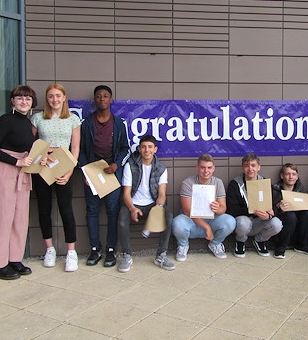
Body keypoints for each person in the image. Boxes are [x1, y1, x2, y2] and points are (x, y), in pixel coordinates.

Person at [0, 86, 37, 280]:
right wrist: (16, 161)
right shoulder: (5, 120)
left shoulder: (28, 123)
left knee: (19, 218)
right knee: (1, 217)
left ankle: (14, 258)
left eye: (28, 99)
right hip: (4, 170)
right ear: (12, 101)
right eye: (19, 98)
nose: (23, 101)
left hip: (22, 172)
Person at [31, 84, 81, 272]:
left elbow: (75, 149)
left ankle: (71, 252)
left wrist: (69, 172)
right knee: (44, 209)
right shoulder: (38, 118)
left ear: (64, 97)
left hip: (63, 165)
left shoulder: (72, 120)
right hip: (44, 166)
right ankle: (49, 249)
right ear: (47, 98)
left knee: (66, 209)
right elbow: (30, 145)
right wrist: (39, 156)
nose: (55, 99)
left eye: (58, 96)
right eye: (51, 96)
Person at [79, 85, 130, 268]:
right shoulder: (86, 123)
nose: (102, 99)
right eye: (99, 96)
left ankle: (110, 249)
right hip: (92, 173)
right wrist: (86, 171)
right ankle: (95, 249)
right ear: (95, 100)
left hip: (112, 174)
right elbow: (81, 150)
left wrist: (116, 164)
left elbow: (126, 148)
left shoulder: (118, 123)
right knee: (92, 211)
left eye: (105, 96)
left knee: (112, 211)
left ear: (111, 100)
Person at [117, 135, 174, 272]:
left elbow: (161, 194)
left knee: (169, 216)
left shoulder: (161, 168)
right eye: (143, 147)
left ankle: (161, 255)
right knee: (122, 220)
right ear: (139, 149)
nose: (146, 150)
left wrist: (157, 208)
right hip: (132, 203)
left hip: (152, 205)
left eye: (150, 147)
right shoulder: (130, 165)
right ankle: (127, 256)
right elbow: (126, 193)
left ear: (155, 149)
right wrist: (132, 208)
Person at [171, 154, 236, 261]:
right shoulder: (188, 183)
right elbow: (187, 211)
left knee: (230, 221)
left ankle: (215, 243)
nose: (206, 171)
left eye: (209, 168)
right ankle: (183, 246)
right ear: (197, 167)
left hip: (212, 220)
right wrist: (207, 227)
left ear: (213, 168)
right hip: (191, 222)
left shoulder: (218, 182)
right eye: (203, 167)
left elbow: (223, 208)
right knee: (177, 223)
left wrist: (217, 208)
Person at [227, 153, 282, 257]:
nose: (250, 168)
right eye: (247, 165)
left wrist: (269, 215)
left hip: (260, 221)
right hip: (244, 221)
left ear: (258, 167)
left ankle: (260, 241)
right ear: (243, 168)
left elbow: (274, 204)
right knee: (243, 222)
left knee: (277, 224)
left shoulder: (265, 183)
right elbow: (232, 209)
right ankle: (240, 242)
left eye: (253, 165)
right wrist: (251, 210)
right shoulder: (235, 184)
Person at [271, 163, 308, 258]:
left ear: (297, 176)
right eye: (287, 174)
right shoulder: (275, 189)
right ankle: (282, 246)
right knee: (290, 216)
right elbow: (270, 210)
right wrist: (278, 206)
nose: (290, 177)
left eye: (293, 174)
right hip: (284, 224)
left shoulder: (301, 189)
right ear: (282, 176)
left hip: (299, 226)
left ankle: (303, 244)